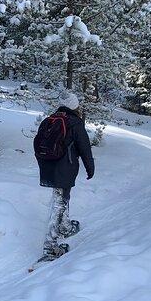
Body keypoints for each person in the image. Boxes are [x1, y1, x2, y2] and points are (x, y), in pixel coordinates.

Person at [36, 91, 94, 262]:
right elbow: (85, 148)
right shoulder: (74, 122)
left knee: (63, 197)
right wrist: (90, 168)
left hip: (48, 166)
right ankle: (50, 247)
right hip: (64, 168)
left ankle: (65, 226)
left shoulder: (50, 119)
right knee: (59, 204)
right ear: (74, 106)